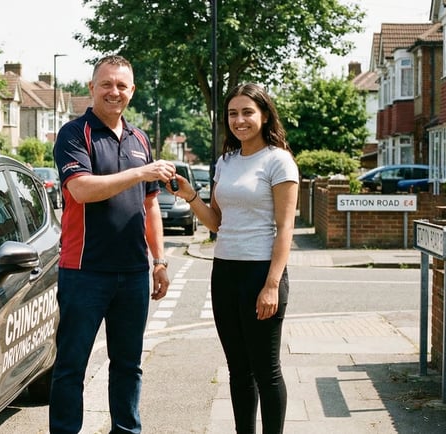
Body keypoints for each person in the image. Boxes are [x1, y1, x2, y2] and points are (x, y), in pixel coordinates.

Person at [49, 54, 175, 434]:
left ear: (132, 91)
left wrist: (159, 261)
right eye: (106, 84)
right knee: (71, 366)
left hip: (133, 272)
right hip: (84, 271)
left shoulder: (140, 139)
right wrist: (141, 171)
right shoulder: (74, 134)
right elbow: (82, 190)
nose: (114, 91)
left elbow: (150, 205)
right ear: (92, 87)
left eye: (121, 85)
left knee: (128, 366)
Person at [168, 83, 299, 434]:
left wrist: (272, 285)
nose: (239, 120)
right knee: (238, 371)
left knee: (267, 372)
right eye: (232, 114)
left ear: (265, 115)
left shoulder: (278, 160)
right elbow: (216, 222)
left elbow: (285, 228)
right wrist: (190, 196)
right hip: (224, 272)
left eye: (247, 112)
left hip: (261, 273)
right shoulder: (225, 162)